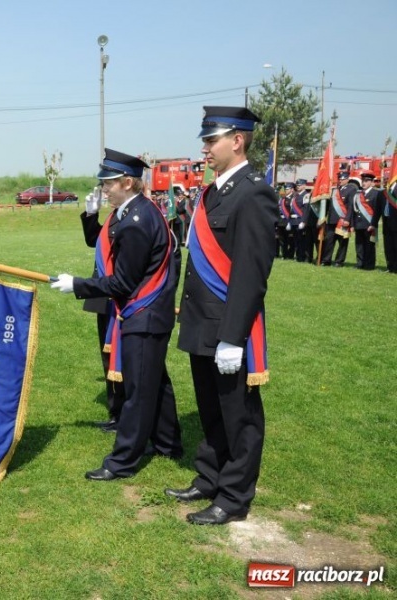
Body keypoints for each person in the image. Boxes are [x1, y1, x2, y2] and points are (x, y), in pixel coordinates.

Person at [167, 106, 278, 525]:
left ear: (238, 140)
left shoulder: (253, 193)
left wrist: (233, 336)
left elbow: (250, 274)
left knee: (239, 415)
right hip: (202, 320)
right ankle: (210, 476)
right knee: (210, 408)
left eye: (212, 140)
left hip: (228, 326)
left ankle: (233, 497)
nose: (205, 148)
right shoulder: (213, 192)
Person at [51, 148, 182, 481]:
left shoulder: (136, 221)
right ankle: (168, 443)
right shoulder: (134, 213)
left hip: (143, 313)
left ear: (127, 182)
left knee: (138, 391)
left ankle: (122, 461)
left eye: (108, 183)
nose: (103, 189)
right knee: (156, 382)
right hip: (151, 313)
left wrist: (77, 284)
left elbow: (123, 282)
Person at [80, 187, 125, 433]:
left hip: (120, 296)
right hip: (105, 296)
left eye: (109, 186)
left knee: (122, 356)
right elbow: (94, 240)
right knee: (107, 356)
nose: (105, 192)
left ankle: (125, 413)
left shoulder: (129, 216)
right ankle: (116, 412)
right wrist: (91, 214)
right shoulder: (113, 216)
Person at [320, 171, 356, 267]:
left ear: (347, 179)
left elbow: (351, 206)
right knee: (329, 241)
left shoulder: (351, 189)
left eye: (343, 179)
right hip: (332, 220)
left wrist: (348, 219)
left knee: (342, 243)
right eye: (339, 179)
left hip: (342, 220)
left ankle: (339, 261)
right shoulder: (334, 190)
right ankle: (326, 260)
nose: (340, 181)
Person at [352, 171, 383, 270]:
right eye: (363, 181)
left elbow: (377, 211)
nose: (364, 183)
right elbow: (354, 211)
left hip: (369, 224)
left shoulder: (376, 193)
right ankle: (360, 263)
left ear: (371, 182)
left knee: (369, 245)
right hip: (359, 224)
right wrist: (353, 224)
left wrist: (373, 224)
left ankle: (369, 265)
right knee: (359, 245)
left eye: (366, 181)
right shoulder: (358, 194)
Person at [293, 178, 315, 263]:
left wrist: (303, 221)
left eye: (300, 185)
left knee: (303, 240)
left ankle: (303, 257)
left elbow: (306, 209)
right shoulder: (296, 195)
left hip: (302, 220)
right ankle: (298, 256)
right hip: (295, 221)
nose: (298, 186)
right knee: (297, 240)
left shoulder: (306, 195)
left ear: (304, 185)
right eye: (297, 185)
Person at [383, 175, 397, 273]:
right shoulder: (383, 192)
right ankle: (390, 267)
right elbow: (378, 209)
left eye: (387, 178)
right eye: (384, 179)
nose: (385, 180)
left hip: (396, 224)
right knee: (388, 247)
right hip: (386, 224)